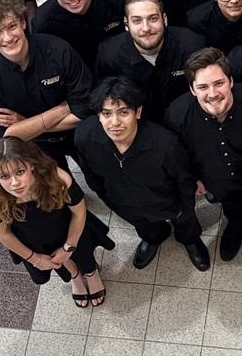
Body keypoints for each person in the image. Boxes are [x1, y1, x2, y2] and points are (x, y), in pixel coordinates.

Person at [74, 77, 211, 271]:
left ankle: (190, 240)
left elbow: (184, 179)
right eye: (107, 114)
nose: (115, 122)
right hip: (125, 203)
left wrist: (186, 206)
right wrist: (108, 198)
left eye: (123, 112)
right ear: (98, 115)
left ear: (137, 112)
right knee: (146, 227)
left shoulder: (165, 145)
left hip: (168, 201)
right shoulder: (85, 138)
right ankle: (153, 238)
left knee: (185, 223)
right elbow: (91, 176)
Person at [165, 48, 242, 261]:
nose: (212, 94)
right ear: (192, 90)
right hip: (216, 179)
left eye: (219, 83)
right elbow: (179, 156)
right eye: (203, 87)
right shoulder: (177, 115)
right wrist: (194, 179)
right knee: (233, 206)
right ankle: (236, 223)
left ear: (231, 81)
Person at [0, 0, 94, 169]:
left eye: (11, 26)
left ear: (22, 22)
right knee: (59, 194)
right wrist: (63, 109)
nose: (8, 38)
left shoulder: (59, 51)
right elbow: (4, 134)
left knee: (99, 179)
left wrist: (25, 123)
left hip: (77, 132)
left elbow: (84, 110)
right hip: (32, 146)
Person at [0, 138, 108, 306]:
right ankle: (75, 276)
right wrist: (35, 259)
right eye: (4, 176)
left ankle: (92, 275)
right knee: (57, 261)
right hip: (32, 238)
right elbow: (3, 234)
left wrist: (68, 247)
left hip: (67, 227)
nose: (14, 183)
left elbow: (78, 213)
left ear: (31, 165)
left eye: (20, 172)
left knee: (83, 254)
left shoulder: (57, 178)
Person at [94, 0, 206, 123]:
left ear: (164, 19)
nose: (146, 28)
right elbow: (104, 100)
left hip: (187, 120)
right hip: (137, 126)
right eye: (137, 21)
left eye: (153, 19)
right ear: (126, 24)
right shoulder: (109, 55)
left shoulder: (193, 47)